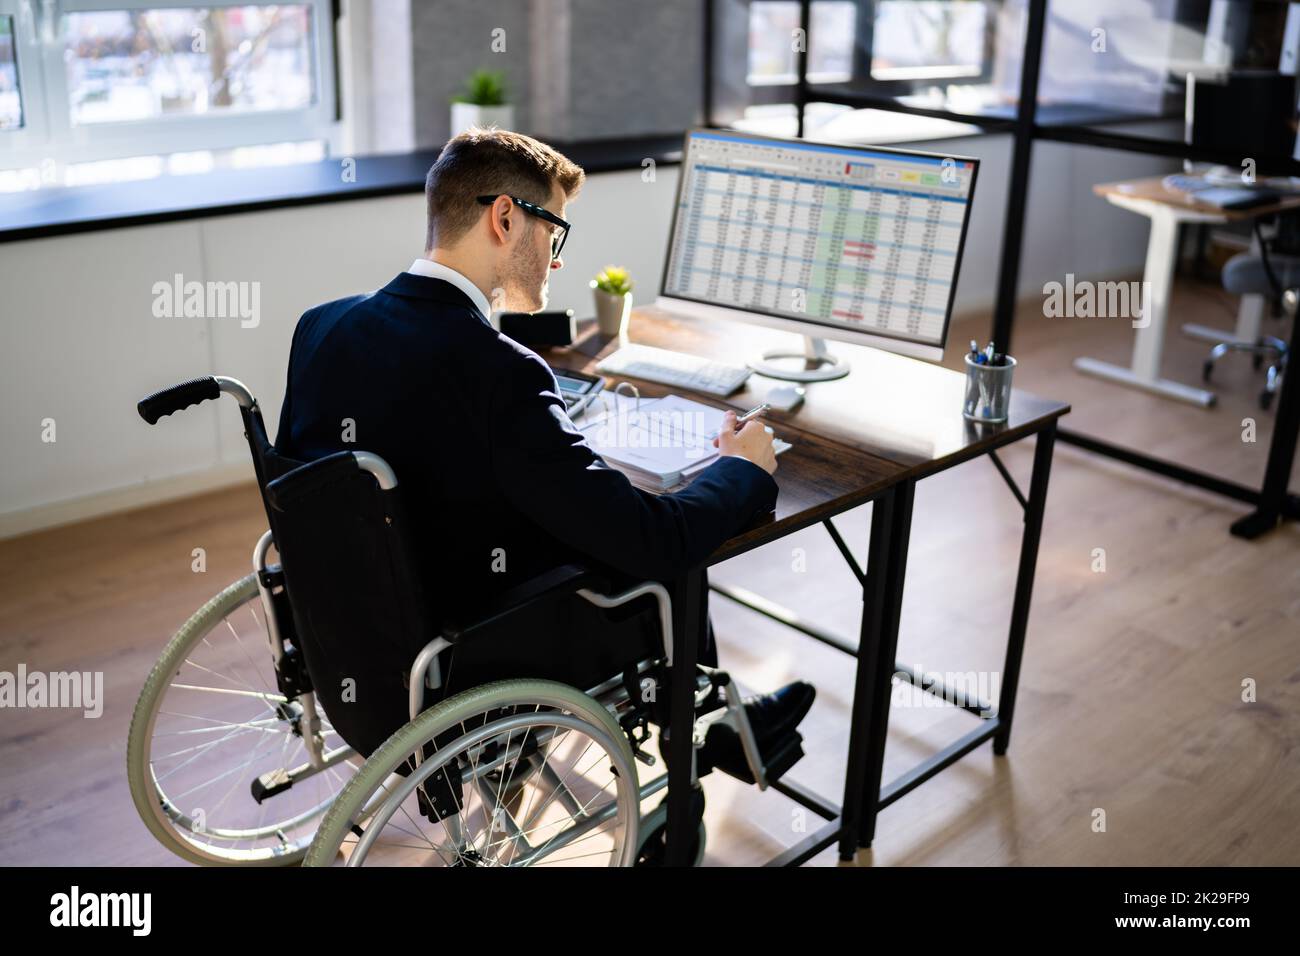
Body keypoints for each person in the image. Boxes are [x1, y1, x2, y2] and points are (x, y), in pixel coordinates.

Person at [275, 127, 814, 786]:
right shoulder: (500, 370)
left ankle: (714, 723)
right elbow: (655, 540)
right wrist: (743, 469)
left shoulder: (322, 326)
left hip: (357, 639)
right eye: (556, 234)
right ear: (505, 218)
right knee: (670, 547)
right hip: (469, 648)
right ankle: (700, 729)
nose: (557, 260)